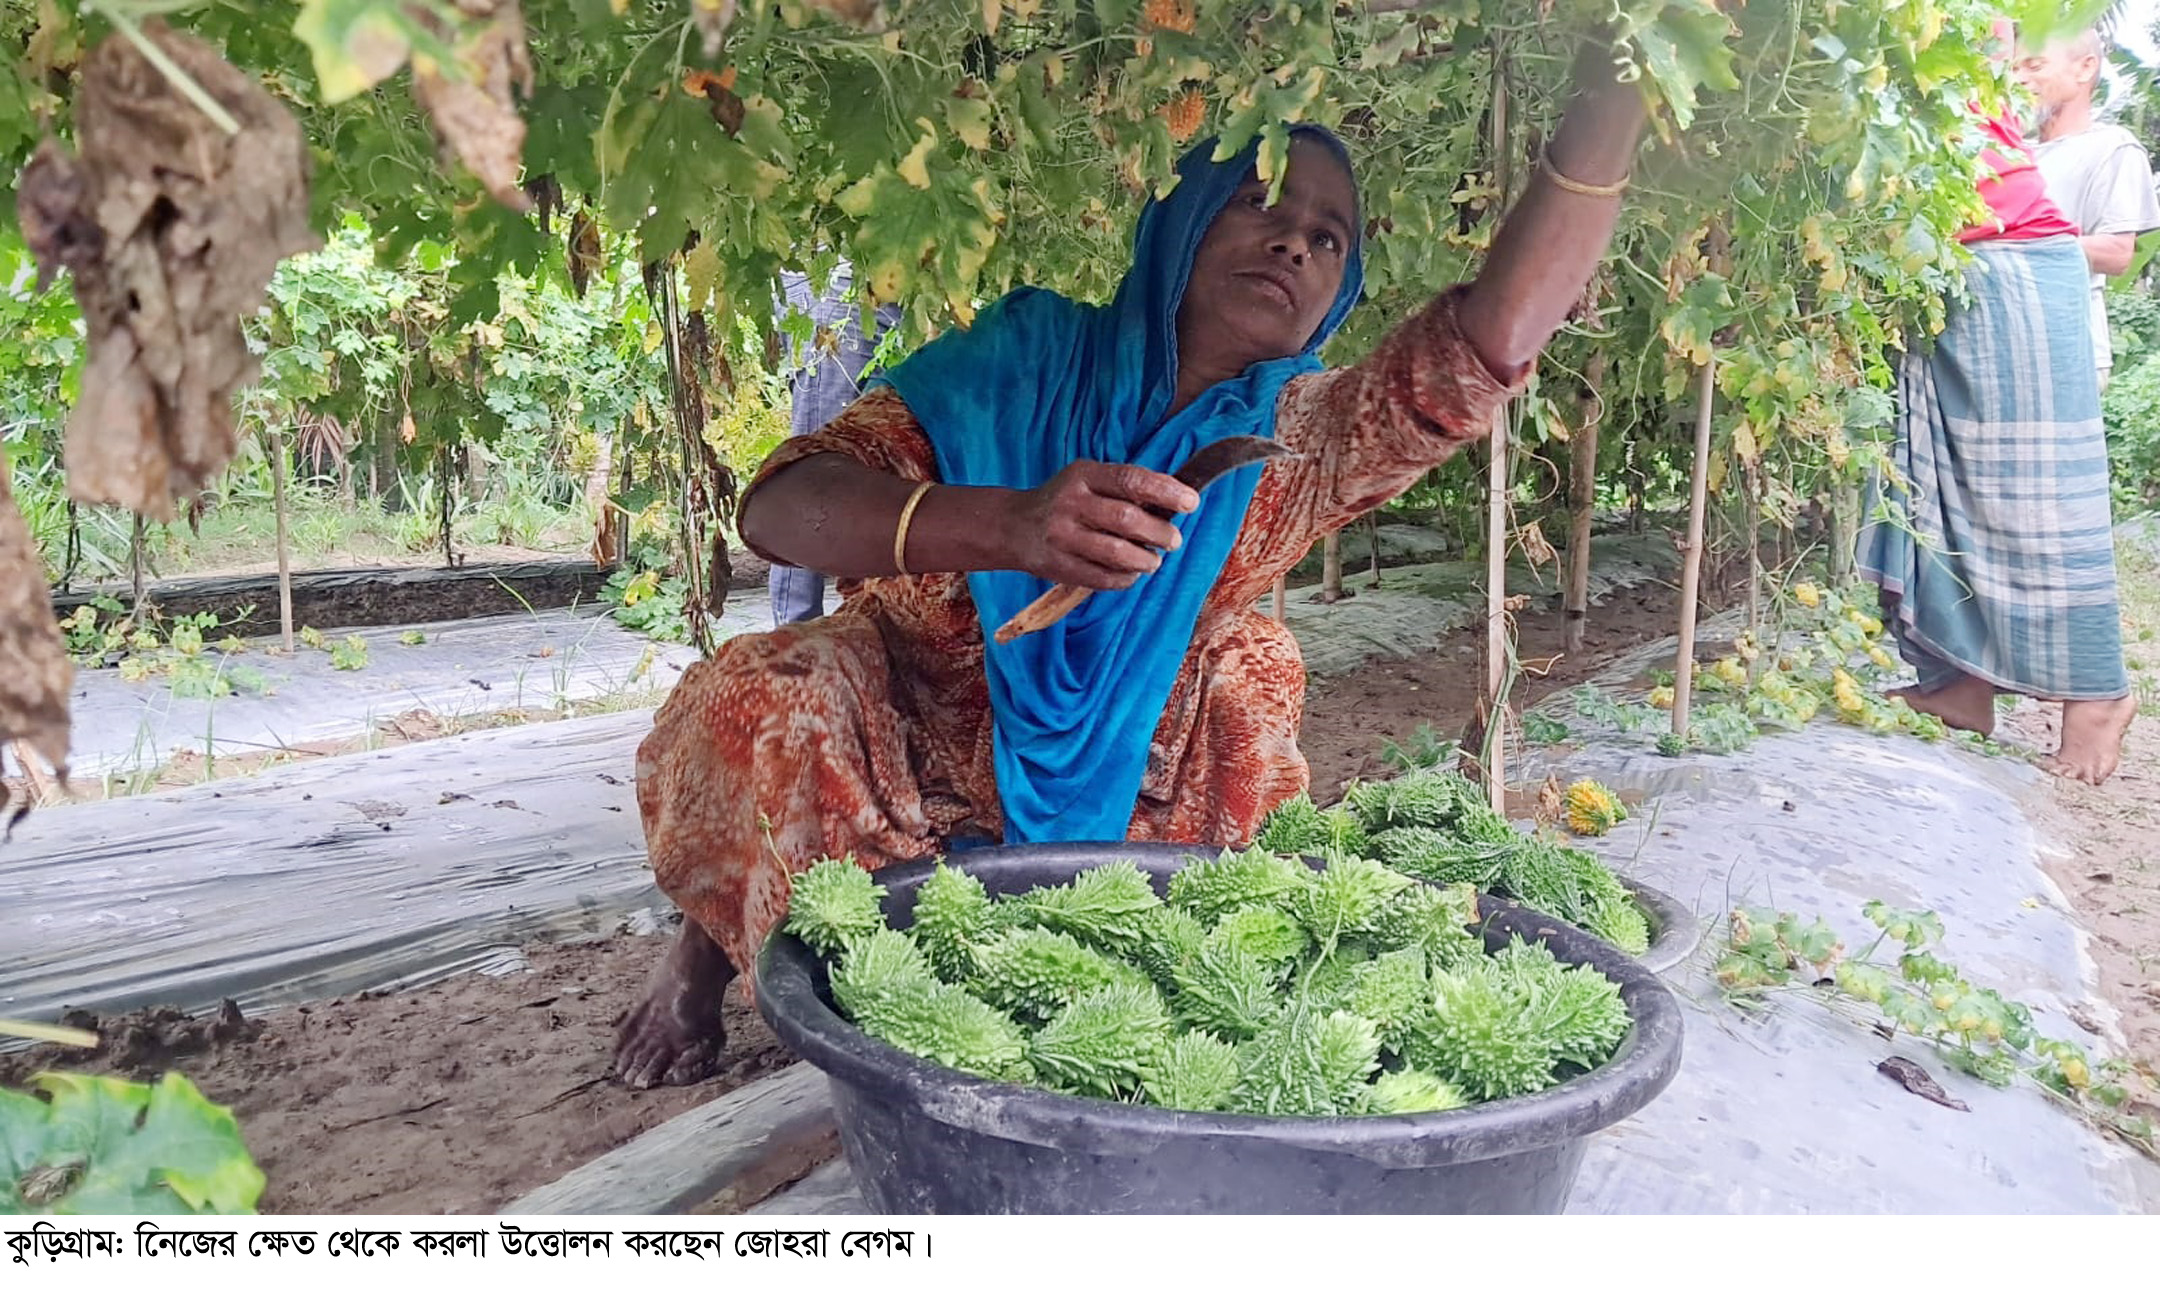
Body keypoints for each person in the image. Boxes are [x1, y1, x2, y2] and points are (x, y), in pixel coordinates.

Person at [612, 49, 1649, 1088]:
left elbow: (1481, 350)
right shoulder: (1021, 353)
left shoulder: (1301, 435)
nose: (1294, 240)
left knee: (1251, 663)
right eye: (1260, 204)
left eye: (1328, 239)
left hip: (1132, 772)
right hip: (909, 738)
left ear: (1341, 289)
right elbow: (783, 508)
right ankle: (709, 952)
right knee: (767, 691)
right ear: (1184, 225)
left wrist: (1623, 84)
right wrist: (1009, 525)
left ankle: (1112, 972)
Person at [1858, 66, 2136, 786]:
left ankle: (2097, 691)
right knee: (1944, 491)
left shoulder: (1974, 30)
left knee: (2034, 503)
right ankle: (1961, 684)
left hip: (2013, 266)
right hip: (1962, 263)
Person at [768, 266, 900, 626]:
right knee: (813, 465)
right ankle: (794, 643)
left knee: (885, 456)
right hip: (839, 284)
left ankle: (870, 631)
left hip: (893, 283)